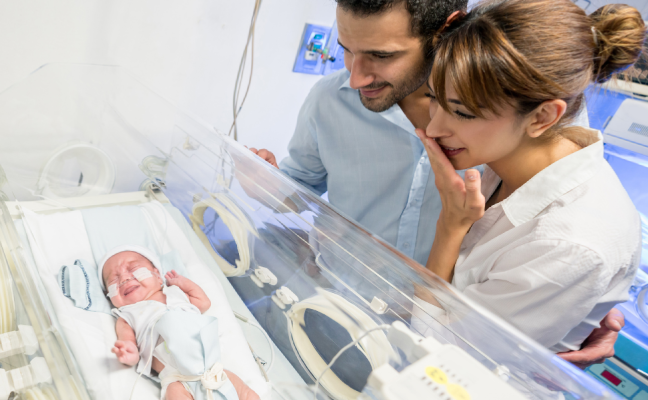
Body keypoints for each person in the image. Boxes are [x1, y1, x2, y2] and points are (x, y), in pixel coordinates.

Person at [248, 0, 623, 367]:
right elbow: (298, 186)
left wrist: (575, 299)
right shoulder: (331, 100)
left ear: (446, 31)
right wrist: (264, 180)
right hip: (334, 302)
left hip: (424, 355)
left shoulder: (520, 120)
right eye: (345, 49)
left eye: (381, 55)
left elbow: (571, 229)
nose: (356, 75)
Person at [417, 0, 644, 352]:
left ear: (542, 117)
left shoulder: (570, 242)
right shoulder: (502, 158)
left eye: (462, 112)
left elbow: (436, 345)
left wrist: (450, 226)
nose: (433, 127)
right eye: (433, 98)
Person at [104, 249, 258, 400]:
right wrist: (129, 354)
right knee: (174, 392)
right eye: (113, 280)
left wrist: (183, 283)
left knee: (248, 394)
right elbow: (128, 344)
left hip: (214, 369)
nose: (124, 278)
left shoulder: (176, 293)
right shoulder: (126, 316)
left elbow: (203, 303)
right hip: (177, 378)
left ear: (157, 275)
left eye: (134, 269)